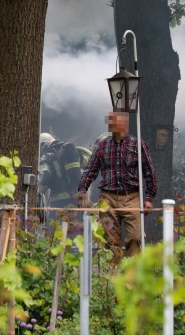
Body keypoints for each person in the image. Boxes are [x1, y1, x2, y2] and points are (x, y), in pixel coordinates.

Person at [76, 111, 157, 265]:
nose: (113, 125)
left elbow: (149, 172)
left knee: (135, 237)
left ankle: (131, 273)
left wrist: (149, 198)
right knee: (110, 239)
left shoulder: (137, 144)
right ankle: (112, 277)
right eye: (111, 122)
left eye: (116, 122)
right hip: (108, 197)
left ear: (124, 124)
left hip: (131, 196)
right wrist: (82, 191)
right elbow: (90, 171)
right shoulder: (102, 146)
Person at [37, 132, 82, 213]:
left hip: (59, 203)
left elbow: (42, 179)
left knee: (55, 225)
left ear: (43, 145)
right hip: (76, 200)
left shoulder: (47, 156)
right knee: (75, 224)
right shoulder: (68, 151)